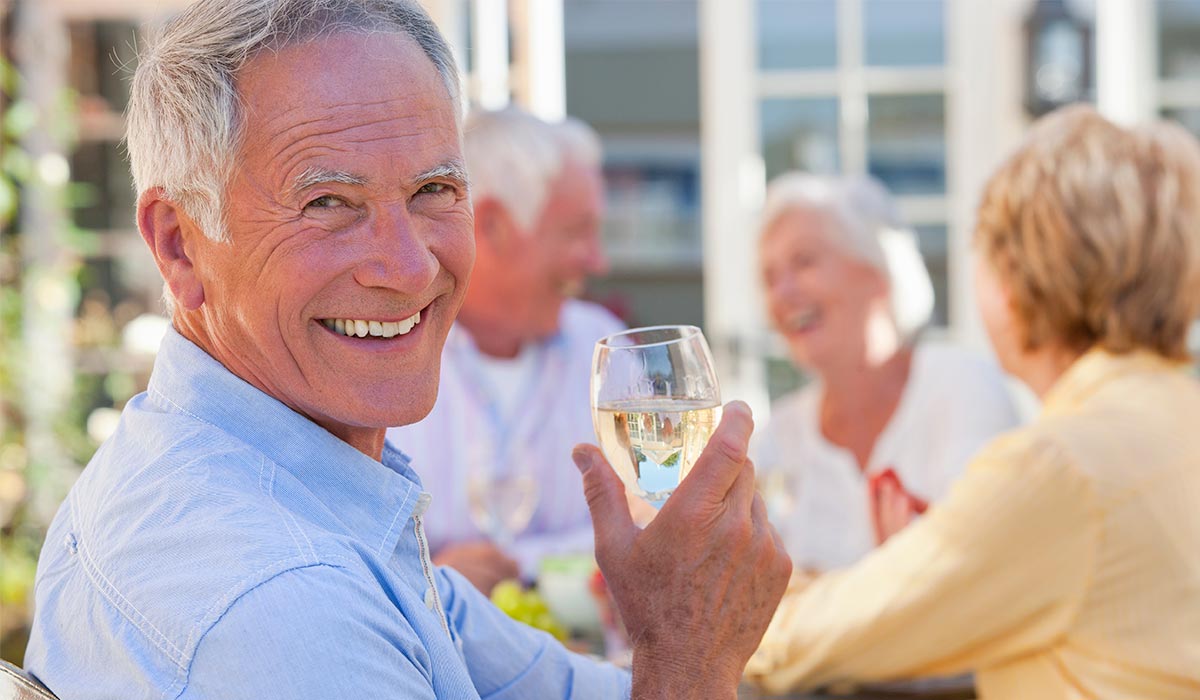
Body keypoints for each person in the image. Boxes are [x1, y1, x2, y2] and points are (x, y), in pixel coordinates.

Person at [22, 2, 791, 698]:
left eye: (433, 190)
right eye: (329, 203)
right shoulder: (285, 603)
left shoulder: (278, 484)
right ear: (179, 245)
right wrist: (688, 660)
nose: (412, 266)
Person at [745, 105, 1200, 698]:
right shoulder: (1174, 409)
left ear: (1018, 276)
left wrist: (687, 603)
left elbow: (808, 641)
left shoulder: (1058, 468)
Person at [386, 107, 622, 594]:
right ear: (492, 226)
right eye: (577, 232)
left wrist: (496, 567)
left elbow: (643, 529)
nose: (598, 260)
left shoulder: (603, 348)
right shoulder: (380, 357)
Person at [756, 173, 1017, 571]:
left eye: (804, 261)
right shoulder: (776, 439)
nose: (782, 294)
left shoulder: (962, 386)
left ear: (877, 272)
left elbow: (977, 568)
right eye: (769, 278)